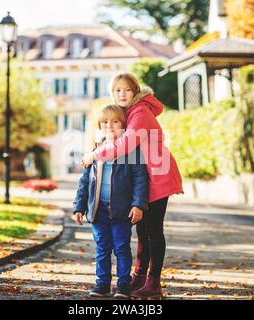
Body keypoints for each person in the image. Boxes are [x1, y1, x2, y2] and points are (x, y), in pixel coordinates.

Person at [81, 73, 183, 299]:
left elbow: (125, 145)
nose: (122, 94)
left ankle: (153, 282)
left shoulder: (141, 113)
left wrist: (94, 155)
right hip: (145, 176)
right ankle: (139, 277)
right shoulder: (126, 114)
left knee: (153, 230)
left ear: (135, 91)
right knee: (142, 229)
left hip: (159, 174)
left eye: (127, 90)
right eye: (117, 90)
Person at [73, 104, 149, 299]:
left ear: (124, 125)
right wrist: (79, 207)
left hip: (121, 211)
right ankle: (102, 284)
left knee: (122, 248)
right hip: (98, 211)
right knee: (102, 248)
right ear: (99, 126)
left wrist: (138, 204)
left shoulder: (131, 151)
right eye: (105, 122)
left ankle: (123, 285)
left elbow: (141, 179)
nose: (110, 126)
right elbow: (84, 182)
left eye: (115, 121)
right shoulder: (95, 151)